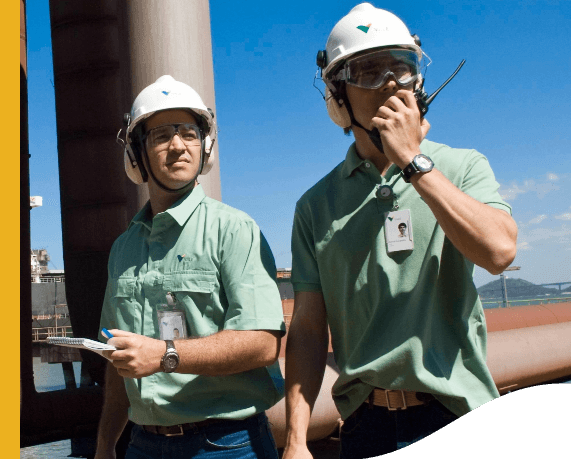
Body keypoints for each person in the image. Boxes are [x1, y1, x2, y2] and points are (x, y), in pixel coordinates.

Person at [283, 4, 518, 459]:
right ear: (337, 96)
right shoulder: (315, 207)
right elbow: (309, 330)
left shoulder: (462, 167)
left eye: (402, 67)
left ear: (420, 83)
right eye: (368, 71)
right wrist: (295, 438)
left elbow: (499, 251)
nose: (390, 81)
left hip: (453, 408)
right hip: (363, 428)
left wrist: (414, 162)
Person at [95, 75, 285, 459]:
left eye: (189, 133)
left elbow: (264, 343)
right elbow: (119, 360)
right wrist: (104, 444)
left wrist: (165, 353)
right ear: (136, 153)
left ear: (205, 146)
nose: (178, 146)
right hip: (142, 444)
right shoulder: (123, 248)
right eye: (161, 135)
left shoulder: (234, 229)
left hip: (227, 445)